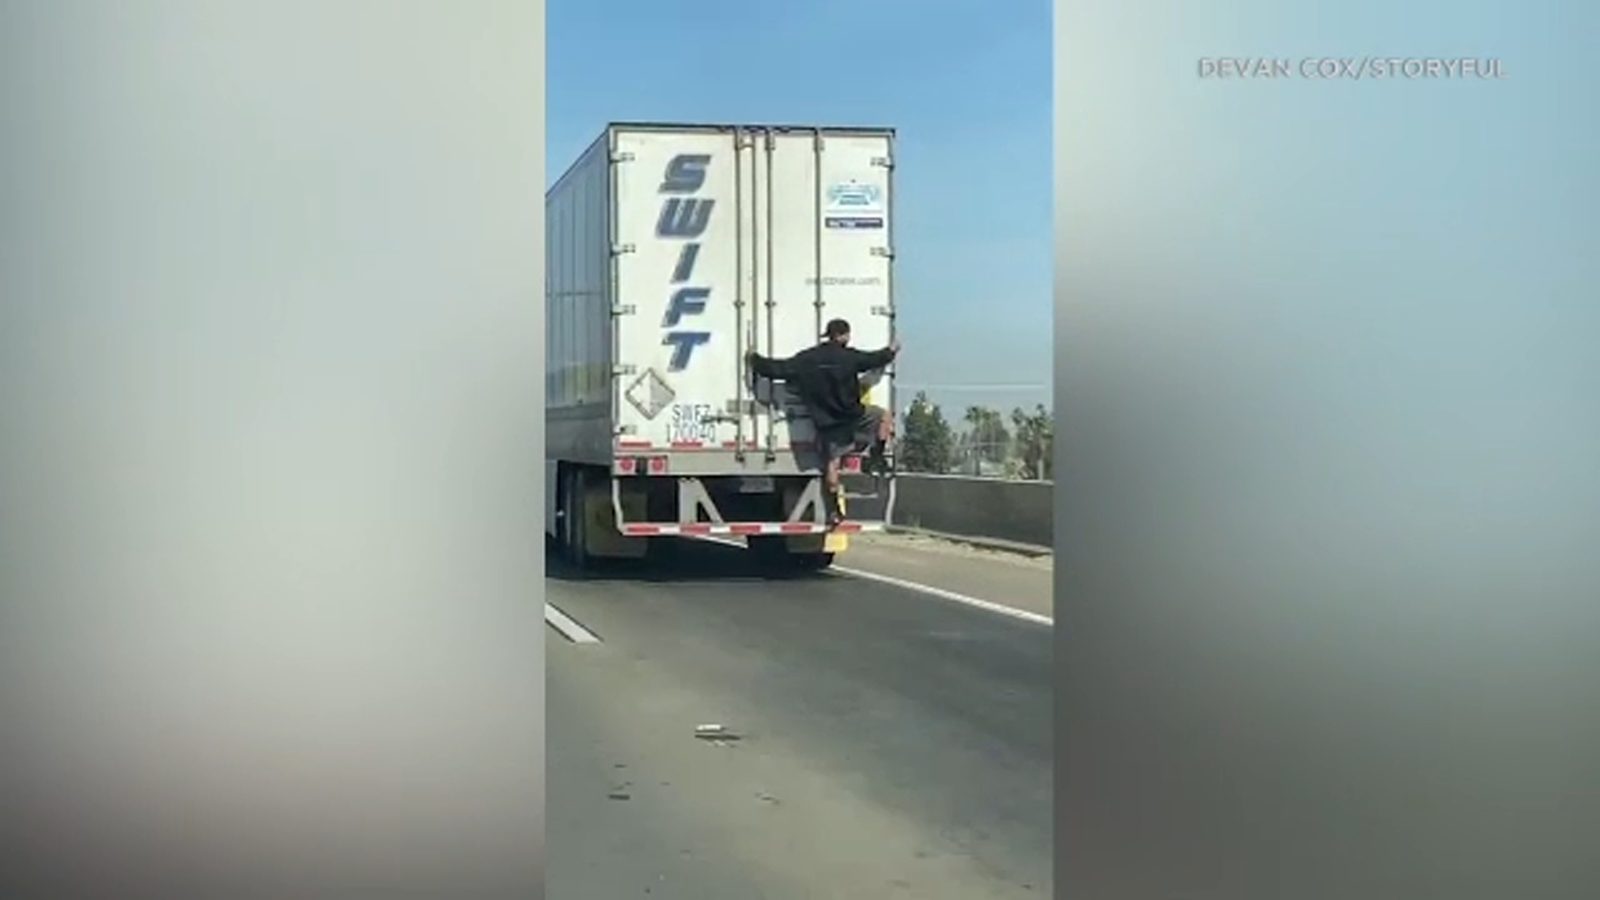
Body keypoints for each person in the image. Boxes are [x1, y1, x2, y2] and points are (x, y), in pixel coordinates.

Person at [747, 318, 899, 526]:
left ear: (828, 335)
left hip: (828, 423)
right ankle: (877, 456)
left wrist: (754, 359)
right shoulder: (849, 357)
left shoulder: (807, 359)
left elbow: (777, 369)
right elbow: (875, 359)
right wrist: (891, 350)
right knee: (885, 417)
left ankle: (834, 510)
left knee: (831, 466)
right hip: (853, 415)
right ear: (844, 336)